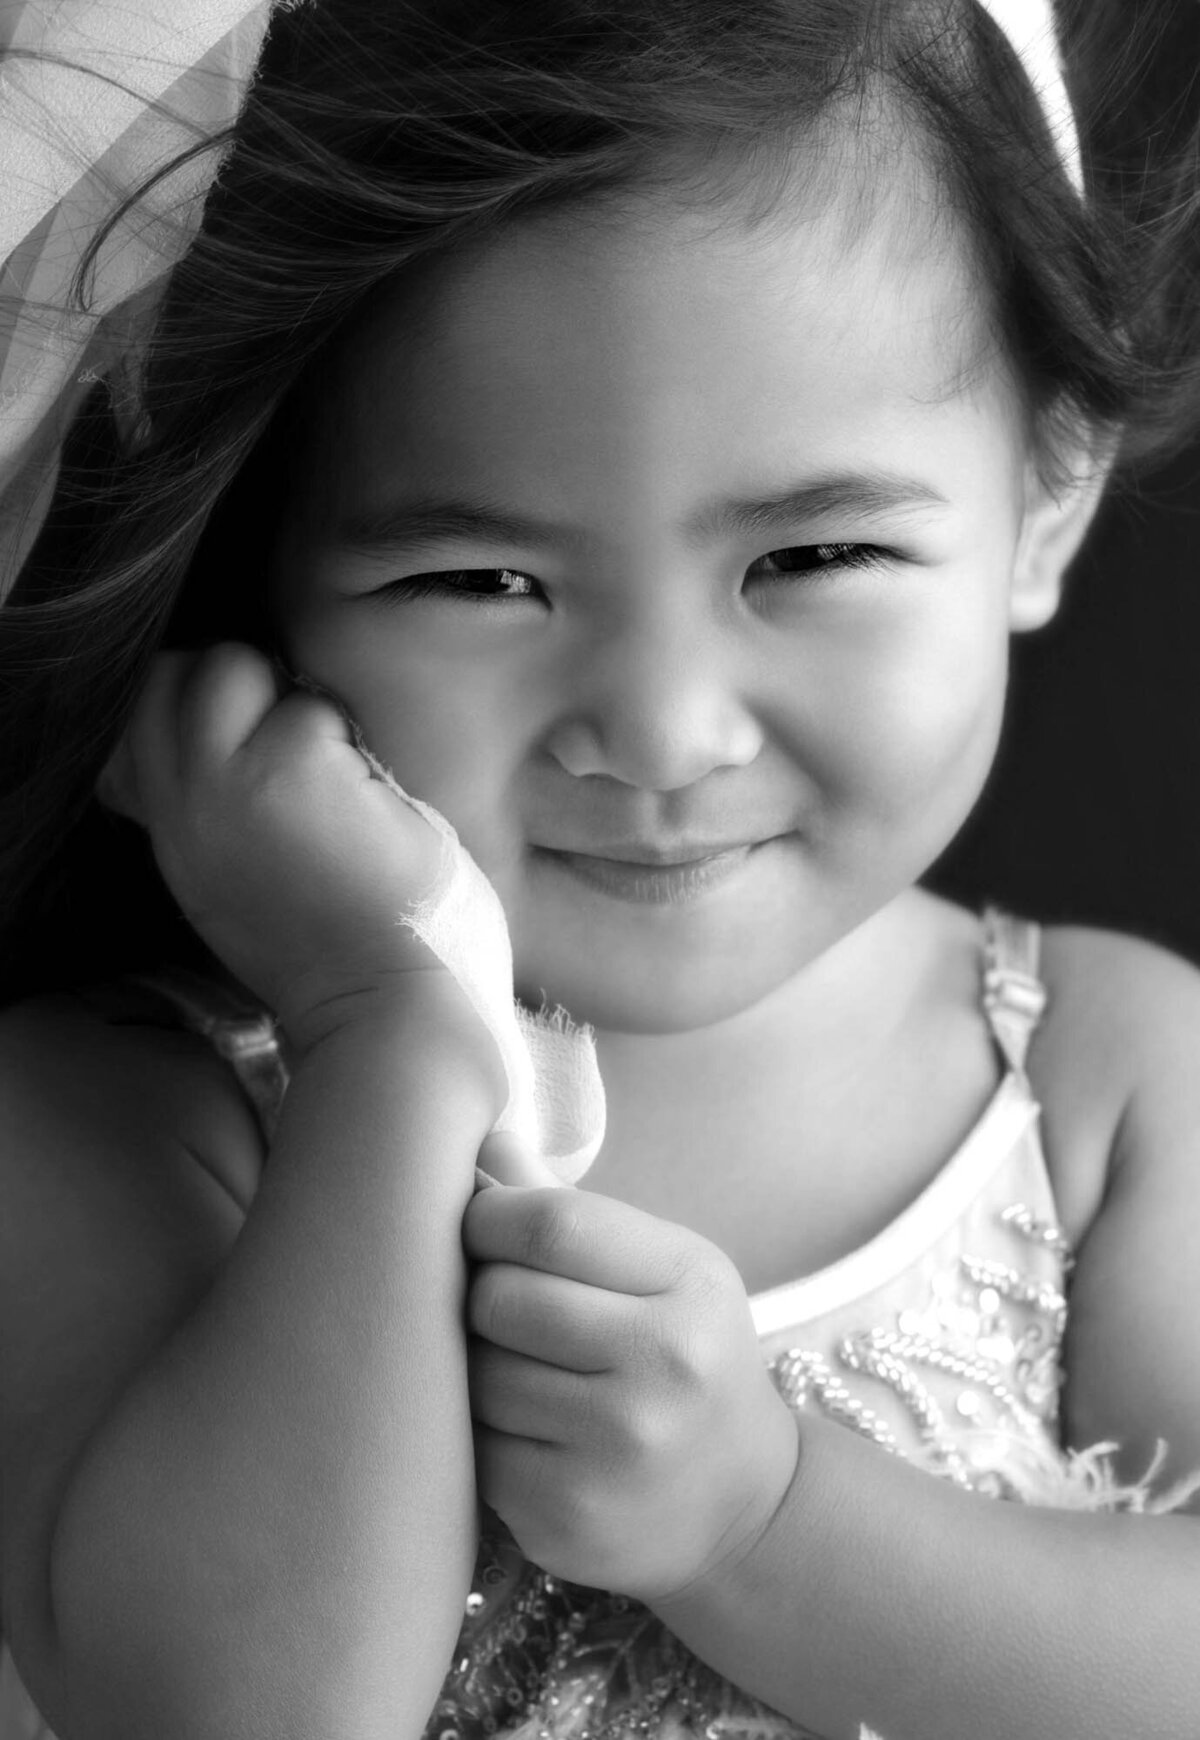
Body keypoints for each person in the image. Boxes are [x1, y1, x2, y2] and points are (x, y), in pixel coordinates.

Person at [2, 3, 1200, 1737]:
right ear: (258, 581)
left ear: (1048, 493)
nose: (659, 731)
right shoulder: (113, 1112)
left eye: (815, 552)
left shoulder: (1107, 1077)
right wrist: (382, 1037)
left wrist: (762, 1518)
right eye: (479, 583)